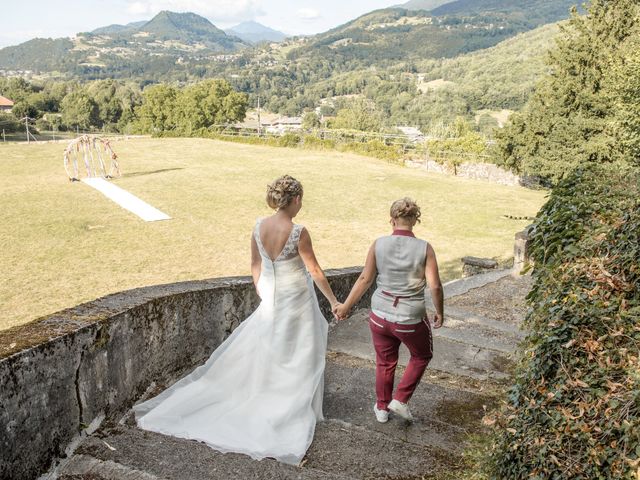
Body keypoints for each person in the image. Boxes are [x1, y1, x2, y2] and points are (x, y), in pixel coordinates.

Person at [133, 175, 339, 465]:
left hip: (272, 296)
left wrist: (264, 291)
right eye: (300, 200)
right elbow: (315, 270)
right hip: (296, 298)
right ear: (294, 200)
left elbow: (255, 266)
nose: (300, 205)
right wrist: (333, 301)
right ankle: (285, 403)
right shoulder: (298, 231)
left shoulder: (258, 226)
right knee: (299, 350)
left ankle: (266, 391)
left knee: (270, 346)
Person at [333, 198, 444, 423]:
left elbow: (365, 279)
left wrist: (345, 306)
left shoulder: (378, 244)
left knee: (385, 361)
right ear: (415, 220)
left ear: (392, 220)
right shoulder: (425, 248)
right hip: (410, 318)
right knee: (422, 355)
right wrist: (440, 311)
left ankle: (382, 408)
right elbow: (435, 285)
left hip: (380, 316)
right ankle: (401, 399)